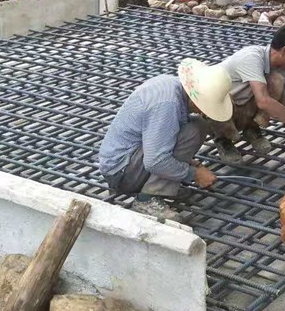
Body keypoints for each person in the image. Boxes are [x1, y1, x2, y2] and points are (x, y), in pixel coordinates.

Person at [97, 58, 231, 221]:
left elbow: (159, 137)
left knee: (197, 124)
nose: (204, 111)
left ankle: (165, 184)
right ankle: (146, 200)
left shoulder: (172, 86)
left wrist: (189, 164)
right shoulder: (168, 105)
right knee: (193, 131)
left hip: (127, 162)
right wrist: (193, 174)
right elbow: (155, 161)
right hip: (122, 172)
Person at [213, 24, 285, 163]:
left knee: (276, 81)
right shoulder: (251, 58)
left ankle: (251, 128)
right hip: (216, 109)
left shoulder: (281, 68)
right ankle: (223, 140)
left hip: (240, 107)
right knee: (260, 97)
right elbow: (263, 101)